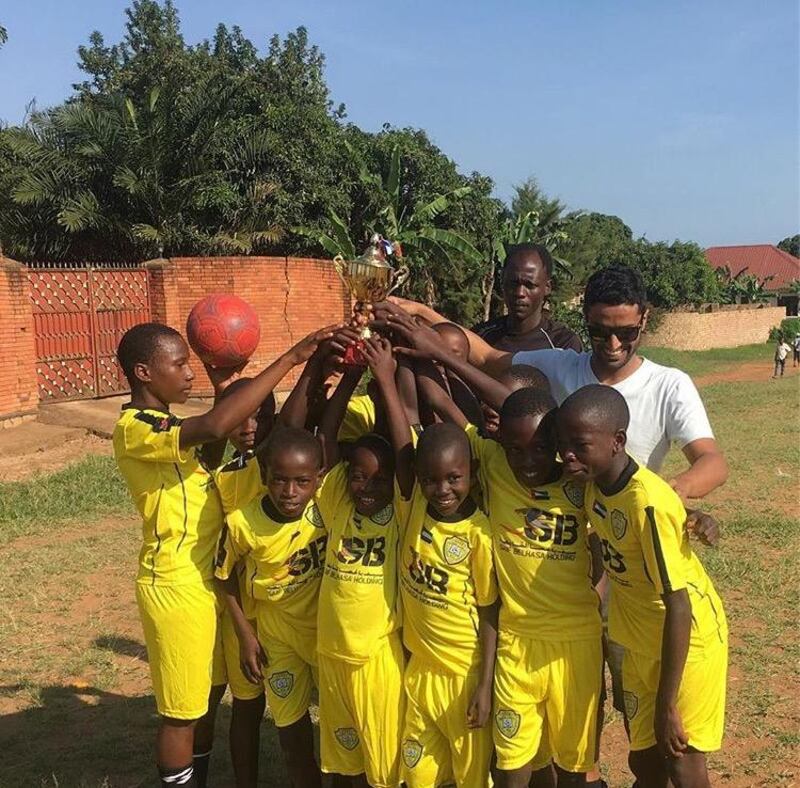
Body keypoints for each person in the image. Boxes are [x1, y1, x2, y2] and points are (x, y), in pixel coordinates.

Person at [113, 321, 333, 788]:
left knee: (215, 699)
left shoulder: (169, 425)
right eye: (179, 364)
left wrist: (222, 387)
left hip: (210, 579)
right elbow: (216, 426)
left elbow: (223, 431)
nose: (188, 373)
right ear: (143, 372)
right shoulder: (135, 427)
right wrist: (292, 358)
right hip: (176, 583)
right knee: (184, 710)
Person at [382, 263, 728, 501]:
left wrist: (674, 491)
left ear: (645, 319)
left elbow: (712, 461)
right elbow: (485, 357)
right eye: (599, 332)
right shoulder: (558, 366)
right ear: (585, 320)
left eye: (627, 333)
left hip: (625, 535)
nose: (613, 345)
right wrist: (422, 314)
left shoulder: (669, 385)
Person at [556, 386, 727, 788]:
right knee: (645, 761)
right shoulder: (594, 486)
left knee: (681, 760)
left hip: (687, 643)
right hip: (638, 640)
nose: (567, 455)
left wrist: (668, 703)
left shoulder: (646, 503)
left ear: (617, 442)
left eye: (579, 445)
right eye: (563, 445)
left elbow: (678, 605)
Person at [374, 334, 498, 788]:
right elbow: (402, 435)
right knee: (419, 775)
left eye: (453, 478)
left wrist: (485, 686)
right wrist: (388, 374)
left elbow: (489, 615)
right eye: (431, 479)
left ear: (471, 473)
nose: (442, 489)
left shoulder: (481, 535)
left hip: (464, 678)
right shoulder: (414, 508)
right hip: (420, 673)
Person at [281, 342, 407, 787]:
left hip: (376, 662)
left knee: (385, 769)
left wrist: (386, 381)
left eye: (379, 479)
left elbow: (407, 455)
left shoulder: (401, 517)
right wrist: (352, 372)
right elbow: (326, 442)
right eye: (358, 475)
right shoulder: (337, 504)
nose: (366, 487)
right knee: (341, 764)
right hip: (331, 657)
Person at [214, 426, 329, 788]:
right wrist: (245, 633)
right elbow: (223, 575)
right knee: (293, 737)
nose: (290, 492)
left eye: (301, 482)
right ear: (264, 476)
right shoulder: (242, 522)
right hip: (277, 638)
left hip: (327, 635)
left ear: (318, 479)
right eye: (279, 480)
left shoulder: (326, 506)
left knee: (344, 733)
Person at [472, 244, 583, 353]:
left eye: (530, 285)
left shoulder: (563, 344)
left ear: (547, 287)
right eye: (513, 284)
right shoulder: (480, 338)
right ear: (503, 283)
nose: (520, 293)